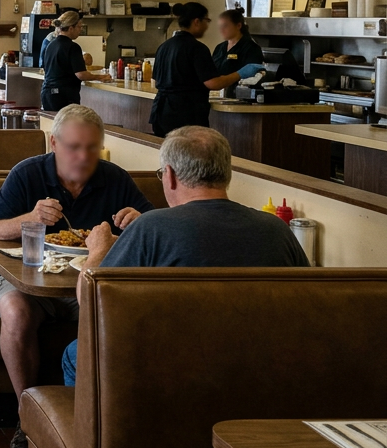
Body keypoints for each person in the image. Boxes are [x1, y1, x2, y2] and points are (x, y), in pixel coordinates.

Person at [61, 126, 309, 385]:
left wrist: (99, 250)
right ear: (227, 174)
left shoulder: (151, 227)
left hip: (170, 371)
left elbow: (90, 302)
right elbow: (307, 307)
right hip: (261, 371)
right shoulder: (276, 229)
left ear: (169, 176)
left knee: (73, 353)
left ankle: (91, 427)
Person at [0, 105, 153, 448]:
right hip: (22, 282)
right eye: (74, 147)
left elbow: (152, 233)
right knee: (16, 310)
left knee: (126, 310)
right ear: (54, 143)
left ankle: (102, 422)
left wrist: (141, 222)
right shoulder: (27, 175)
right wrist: (29, 219)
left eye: (92, 148)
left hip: (84, 286)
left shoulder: (115, 179)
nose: (83, 156)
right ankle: (27, 415)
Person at [149, 2, 265, 137]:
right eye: (207, 21)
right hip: (185, 116)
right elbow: (213, 83)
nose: (207, 26)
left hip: (161, 112)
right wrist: (240, 74)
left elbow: (156, 81)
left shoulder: (164, 46)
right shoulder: (197, 48)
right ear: (197, 21)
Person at [40, 11, 110, 111]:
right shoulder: (73, 47)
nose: (80, 30)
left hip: (47, 93)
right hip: (63, 96)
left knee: (52, 125)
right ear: (71, 28)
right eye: (79, 27)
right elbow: (81, 74)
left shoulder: (51, 45)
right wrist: (100, 77)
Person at [210, 7, 264, 77]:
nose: (221, 30)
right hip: (217, 87)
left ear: (238, 26)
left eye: (225, 26)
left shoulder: (252, 49)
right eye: (220, 26)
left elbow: (252, 77)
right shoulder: (219, 47)